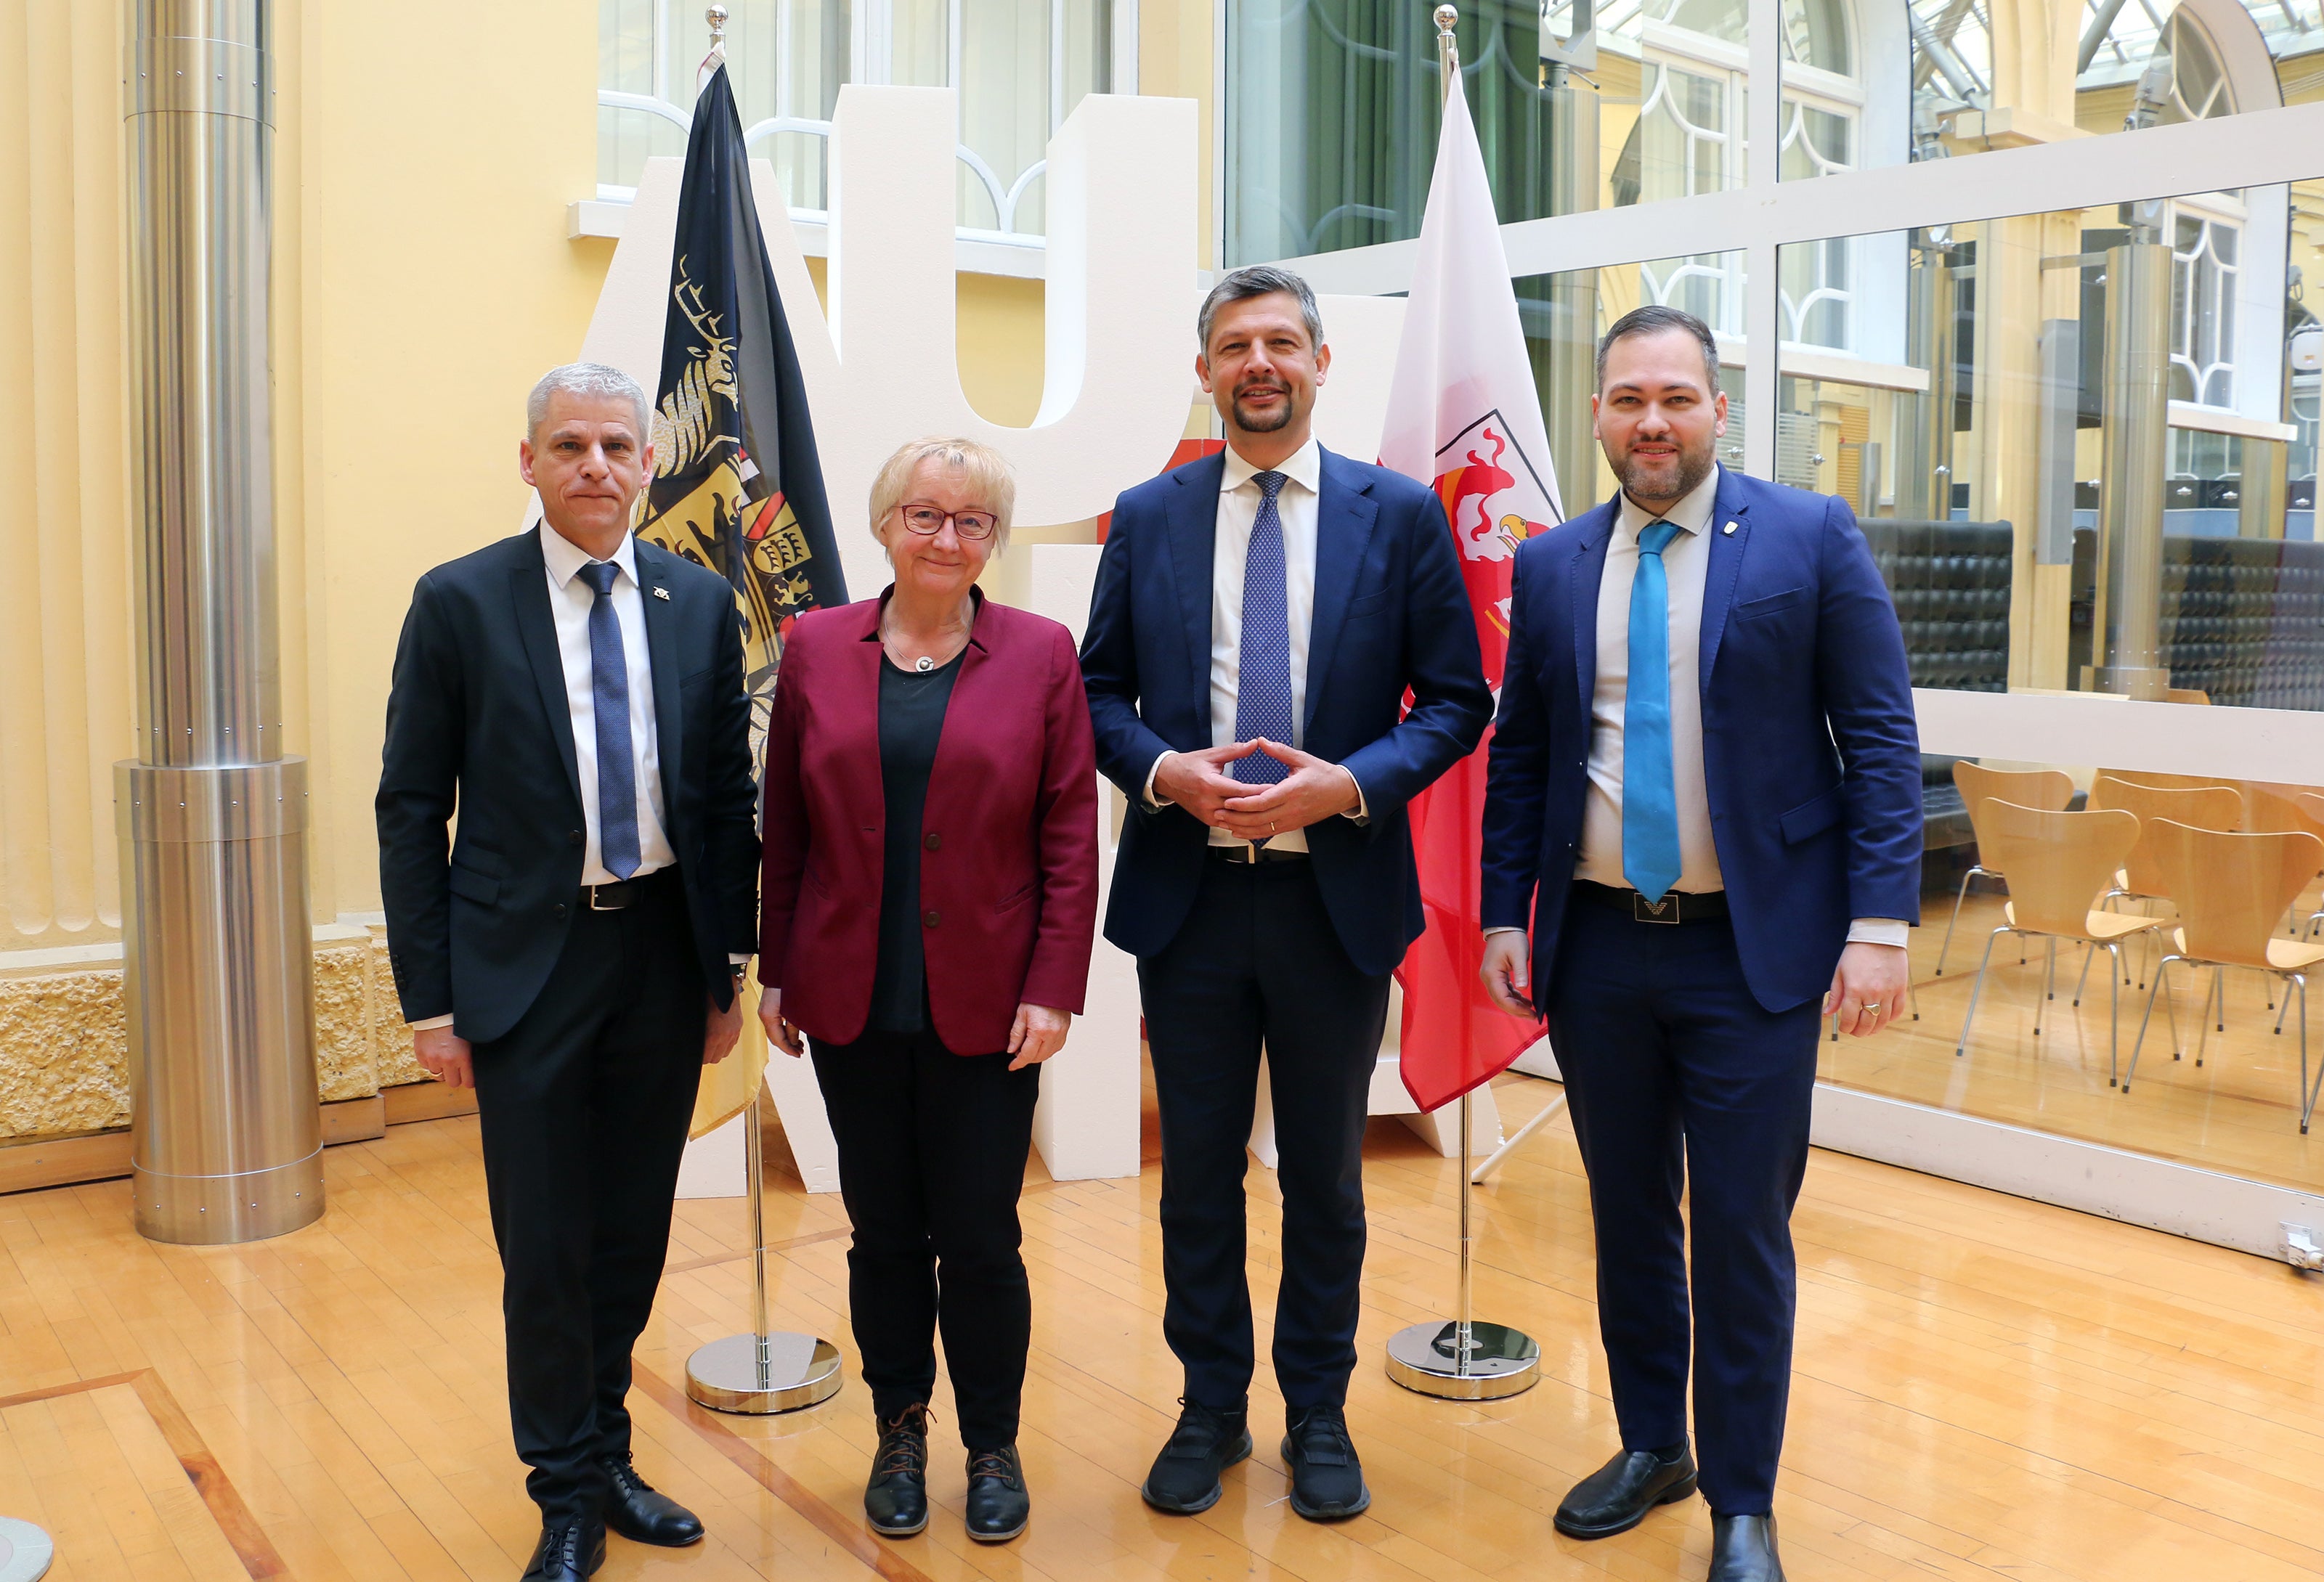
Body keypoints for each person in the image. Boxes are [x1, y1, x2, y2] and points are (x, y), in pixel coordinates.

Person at [1478, 306, 1921, 1582]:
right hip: (1599, 949)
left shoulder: (1809, 535)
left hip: (1752, 955)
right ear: (1599, 415)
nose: (1652, 421)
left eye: (1676, 397)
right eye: (1628, 399)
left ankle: (1742, 1501)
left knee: (1739, 1229)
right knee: (1626, 1218)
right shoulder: (1553, 563)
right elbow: (1524, 757)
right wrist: (1507, 910)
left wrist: (1879, 926)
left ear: (1719, 410)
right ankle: (1650, 1446)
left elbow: (1880, 738)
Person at [1081, 266, 1493, 1522]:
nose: (1257, 363)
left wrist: (1349, 785)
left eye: (1279, 343)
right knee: (1197, 1178)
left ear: (1320, 362)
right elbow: (1095, 694)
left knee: (1325, 1179)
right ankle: (1210, 1406)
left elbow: (1458, 701)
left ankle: (1318, 1409)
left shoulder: (1400, 513)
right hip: (1191, 904)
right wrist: (1164, 772)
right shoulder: (1146, 514)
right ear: (1204, 371)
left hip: (1336, 905)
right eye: (1233, 345)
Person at [377, 363, 761, 1582]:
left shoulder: (699, 602)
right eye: (570, 445)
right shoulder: (460, 602)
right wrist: (433, 1001)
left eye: (617, 446)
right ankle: (565, 1493)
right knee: (545, 1246)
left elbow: (724, 800)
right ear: (530, 462)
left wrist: (725, 970)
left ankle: (607, 1453)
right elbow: (410, 809)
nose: (596, 465)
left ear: (649, 463)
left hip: (661, 958)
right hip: (525, 969)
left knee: (631, 1231)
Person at [756, 436, 1097, 1546]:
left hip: (990, 1007)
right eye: (925, 515)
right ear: (885, 524)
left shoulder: (1042, 653)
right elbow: (786, 824)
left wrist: (1055, 985)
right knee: (884, 1235)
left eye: (971, 520)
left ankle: (992, 1445)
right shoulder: (815, 646)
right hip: (849, 1000)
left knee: (982, 1237)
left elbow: (1069, 833)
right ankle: (898, 1429)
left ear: (994, 538)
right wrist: (777, 968)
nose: (947, 538)